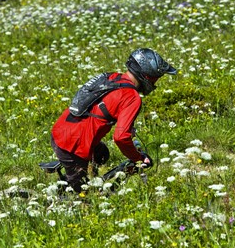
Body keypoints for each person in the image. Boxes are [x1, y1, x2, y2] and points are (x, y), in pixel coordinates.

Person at [50, 48, 177, 193]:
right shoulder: (132, 97)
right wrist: (138, 158)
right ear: (146, 76)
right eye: (155, 78)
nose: (155, 84)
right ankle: (64, 196)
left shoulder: (113, 77)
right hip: (73, 144)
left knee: (102, 155)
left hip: (61, 130)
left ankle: (79, 181)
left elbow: (107, 105)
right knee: (85, 198)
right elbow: (121, 138)